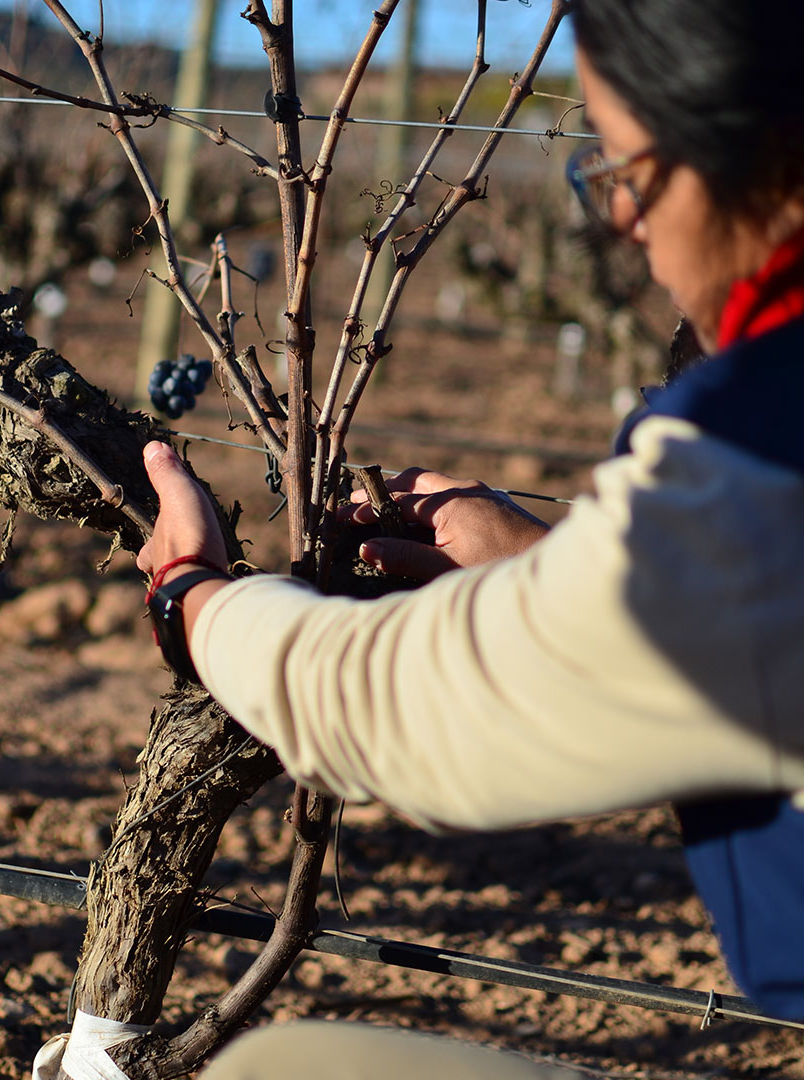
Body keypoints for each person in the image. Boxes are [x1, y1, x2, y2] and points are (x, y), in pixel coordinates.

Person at [137, 0, 804, 1074]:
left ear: (762, 148)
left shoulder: (768, 446)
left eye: (630, 171)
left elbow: (395, 713)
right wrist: (557, 572)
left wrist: (193, 597)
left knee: (281, 1072)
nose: (626, 223)